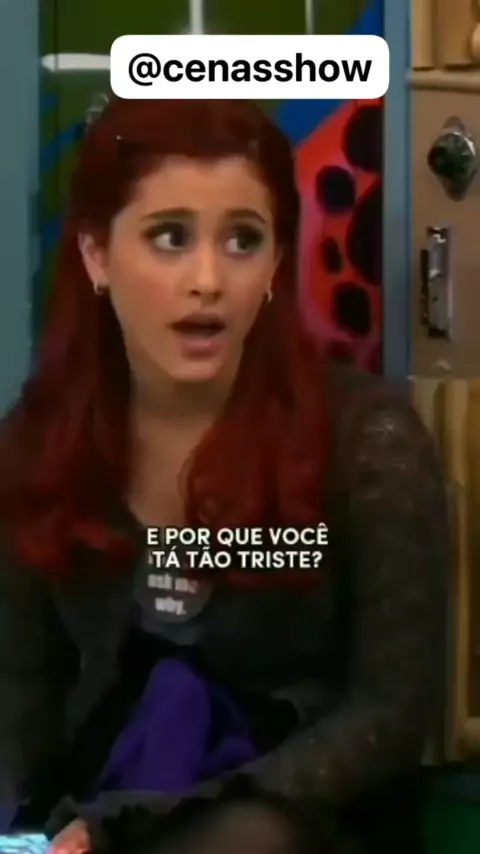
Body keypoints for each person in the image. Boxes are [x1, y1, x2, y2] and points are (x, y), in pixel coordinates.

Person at [0, 98, 447, 854]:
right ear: (97, 255)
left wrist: (137, 824)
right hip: (92, 811)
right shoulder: (38, 444)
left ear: (274, 266)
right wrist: (40, 831)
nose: (208, 279)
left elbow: (391, 711)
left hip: (300, 818)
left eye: (243, 240)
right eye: (169, 237)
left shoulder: (369, 441)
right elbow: (22, 698)